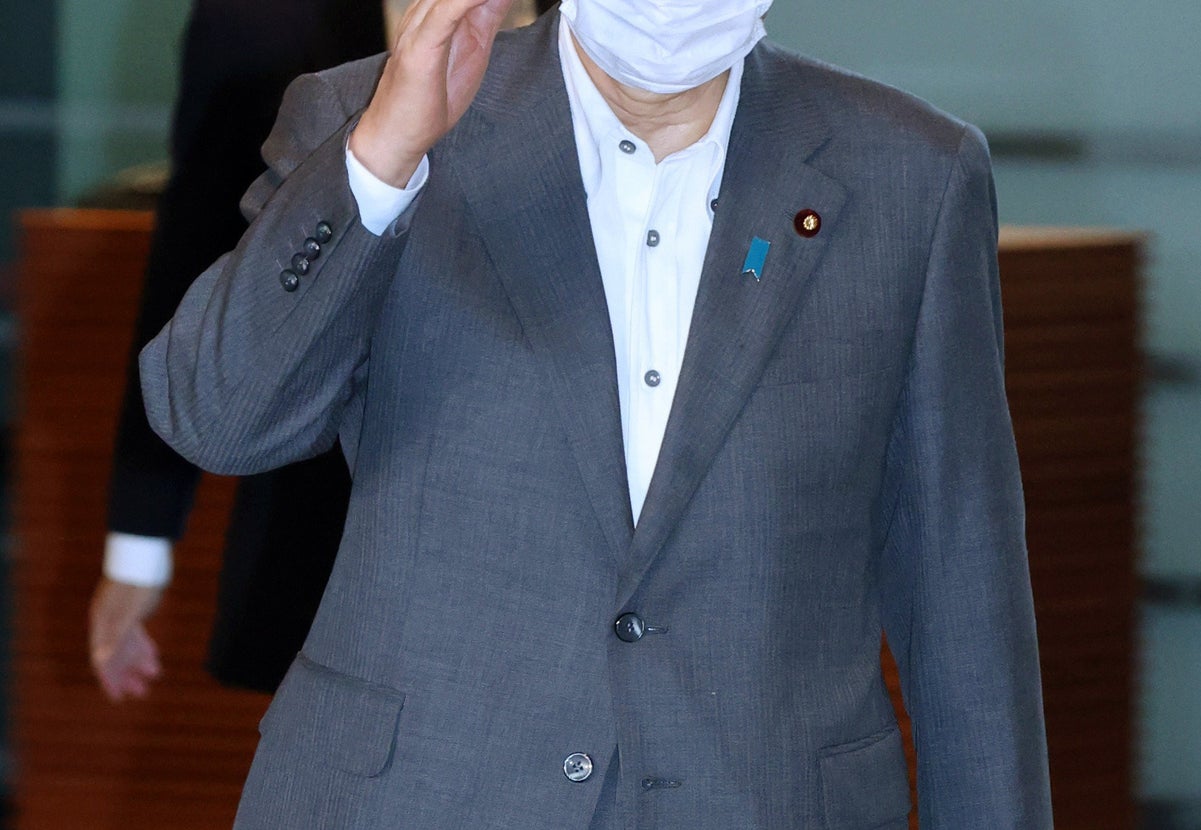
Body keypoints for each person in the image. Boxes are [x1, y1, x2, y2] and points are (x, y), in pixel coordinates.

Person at [139, 0, 1053, 827]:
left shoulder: (912, 174)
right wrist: (384, 158)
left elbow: (963, 589)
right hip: (416, 793)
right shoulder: (377, 117)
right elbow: (216, 418)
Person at [89, 0, 550, 700]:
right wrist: (139, 544)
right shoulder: (260, 24)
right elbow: (192, 264)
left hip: (540, 532)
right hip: (320, 515)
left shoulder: (628, 32)